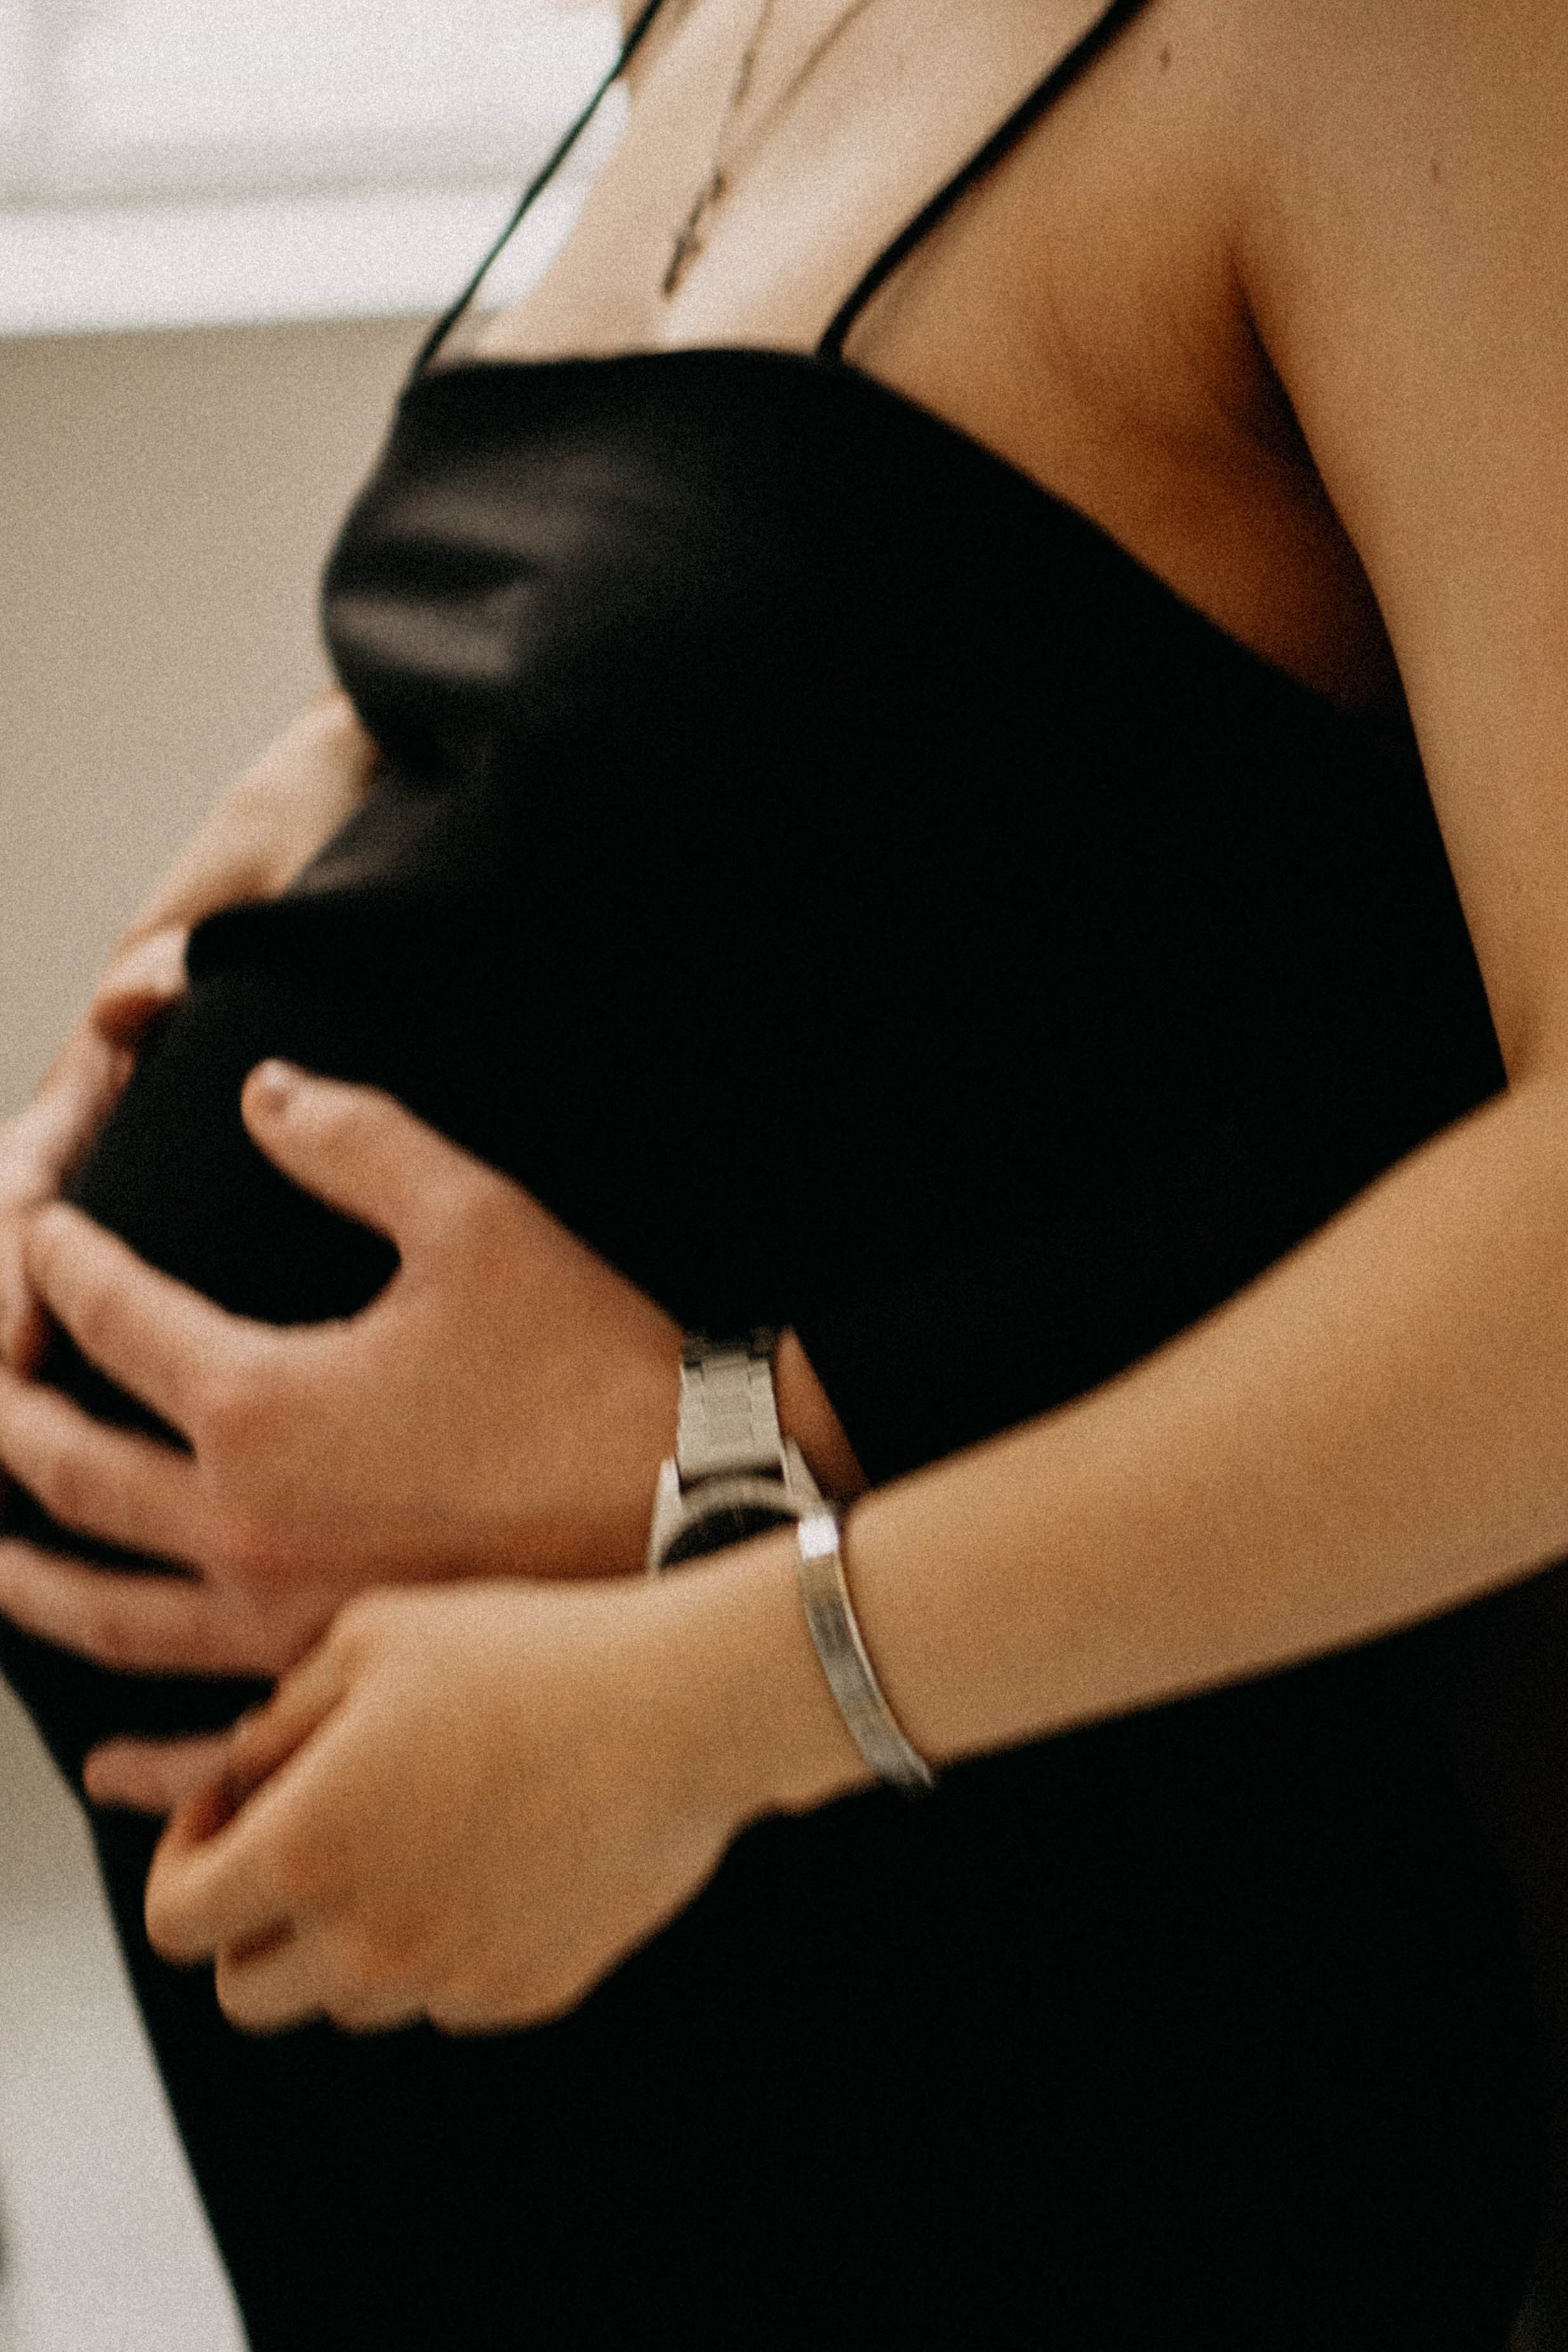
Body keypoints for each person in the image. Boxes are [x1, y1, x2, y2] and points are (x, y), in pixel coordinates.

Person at [0, 0, 1562, 2341]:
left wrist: (708, 1684)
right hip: (515, 2068)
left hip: (1013, 2022)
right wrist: (315, 820)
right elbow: (867, 672)